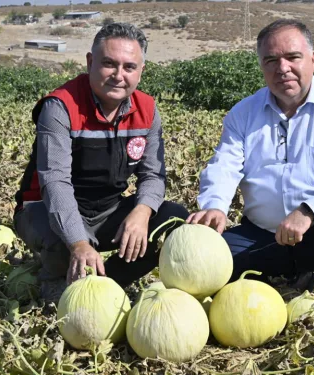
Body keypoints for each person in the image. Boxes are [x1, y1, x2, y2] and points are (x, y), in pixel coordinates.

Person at [186, 19, 314, 310]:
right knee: (203, 262)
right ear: (261, 66)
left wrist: (309, 210)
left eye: (292, 57)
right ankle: (285, 276)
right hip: (261, 237)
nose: (282, 68)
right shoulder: (243, 113)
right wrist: (215, 205)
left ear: (312, 60)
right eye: (271, 60)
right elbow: (225, 164)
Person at [13, 23, 188, 304]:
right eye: (109, 64)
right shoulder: (60, 106)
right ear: (90, 62)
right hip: (43, 209)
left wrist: (142, 212)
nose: (119, 76)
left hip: (106, 209)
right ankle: (56, 279)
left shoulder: (147, 110)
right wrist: (79, 242)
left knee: (172, 221)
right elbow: (55, 182)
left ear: (141, 71)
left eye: (129, 67)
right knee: (62, 237)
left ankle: (107, 285)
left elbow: (153, 175)